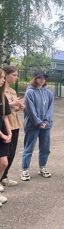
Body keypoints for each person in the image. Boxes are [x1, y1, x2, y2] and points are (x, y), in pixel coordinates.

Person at [21, 70, 54, 181]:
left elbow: (50, 108)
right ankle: (25, 170)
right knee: (29, 148)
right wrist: (39, 122)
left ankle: (42, 167)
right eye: (39, 78)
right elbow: (30, 110)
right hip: (32, 125)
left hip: (46, 125)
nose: (42, 80)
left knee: (45, 148)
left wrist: (46, 122)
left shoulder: (48, 93)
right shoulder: (29, 92)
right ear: (35, 79)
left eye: (44, 78)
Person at [0, 66, 24, 189]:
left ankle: (4, 177)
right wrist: (12, 104)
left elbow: (10, 108)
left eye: (17, 75)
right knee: (3, 154)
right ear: (6, 74)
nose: (16, 77)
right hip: (4, 125)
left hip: (14, 124)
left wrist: (18, 107)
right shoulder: (1, 90)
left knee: (11, 152)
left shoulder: (12, 91)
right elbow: (2, 106)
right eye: (14, 75)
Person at [0, 68, 12, 207]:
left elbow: (5, 116)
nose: (4, 80)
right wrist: (2, 134)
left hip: (3, 133)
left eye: (4, 77)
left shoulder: (2, 96)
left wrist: (8, 133)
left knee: (3, 163)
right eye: (2, 77)